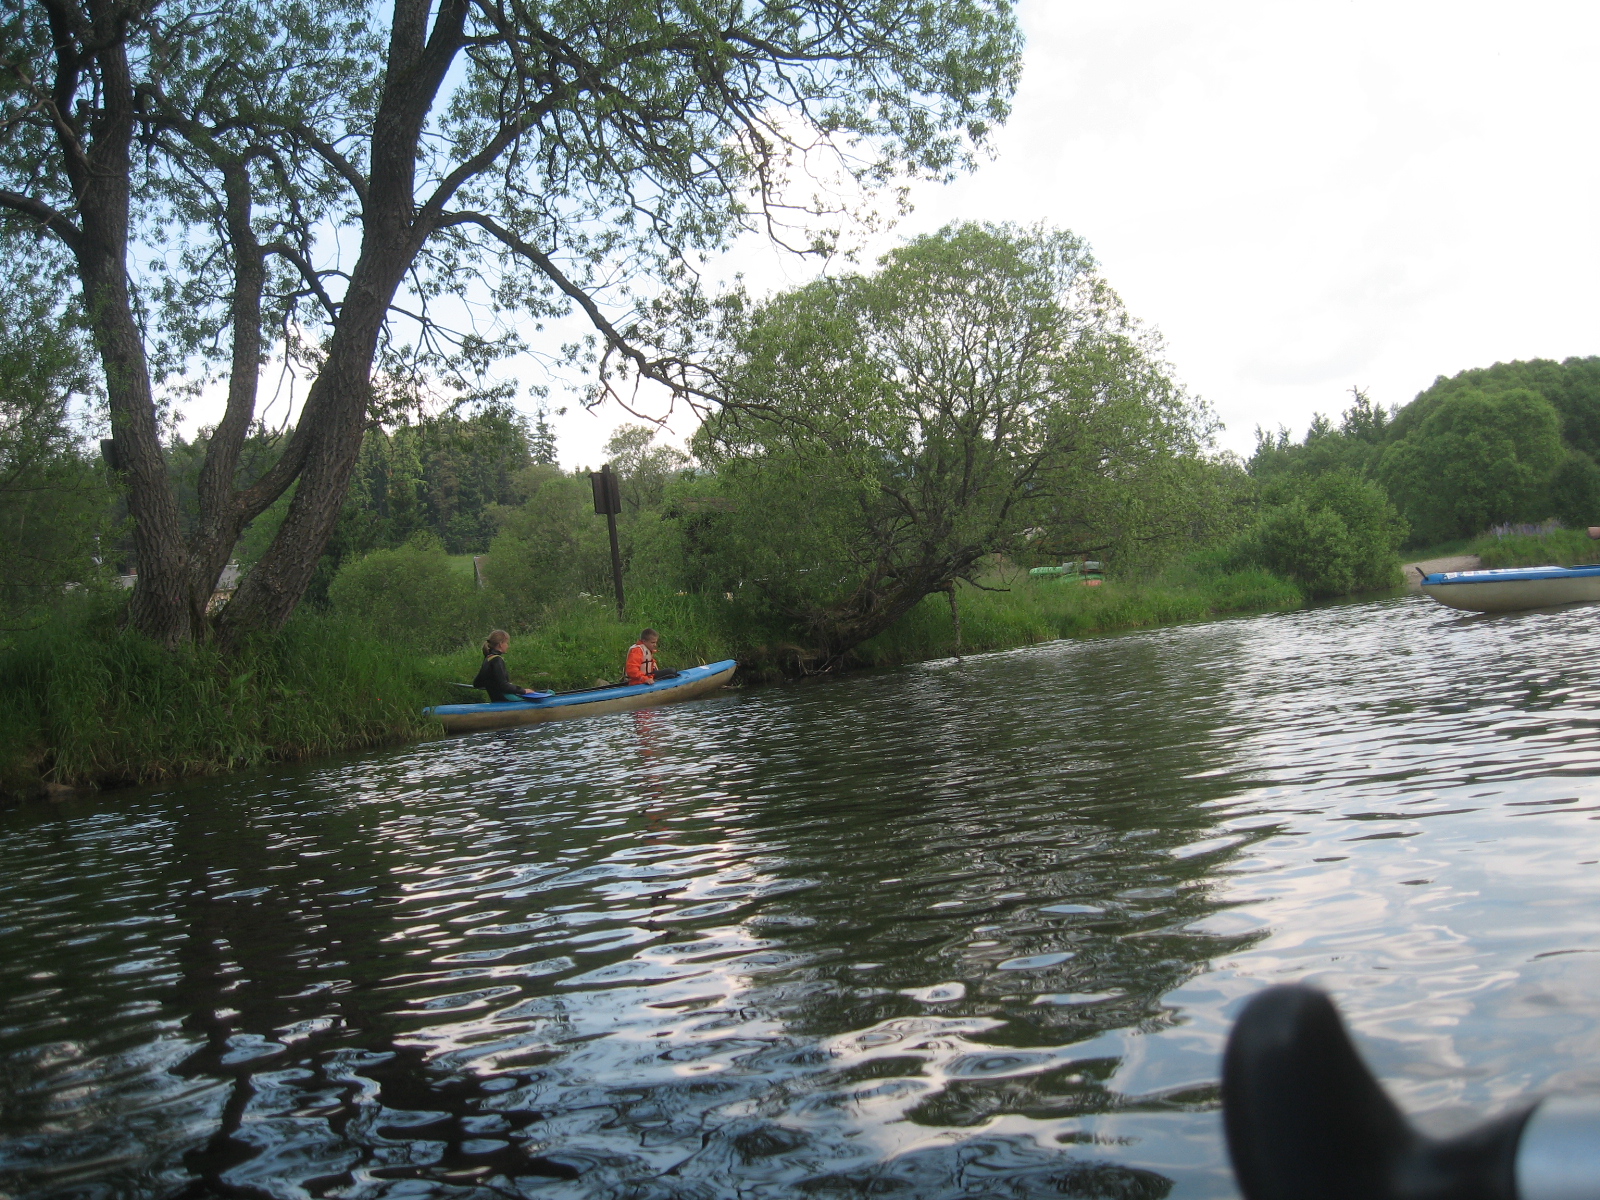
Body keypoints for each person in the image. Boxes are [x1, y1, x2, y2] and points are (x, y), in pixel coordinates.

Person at [473, 630, 537, 702]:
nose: (508, 646)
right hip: (505, 697)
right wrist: (523, 691)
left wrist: (492, 685)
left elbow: (477, 683)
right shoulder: (497, 660)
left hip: (495, 698)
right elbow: (503, 685)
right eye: (506, 643)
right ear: (501, 644)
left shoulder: (488, 659)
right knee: (543, 696)